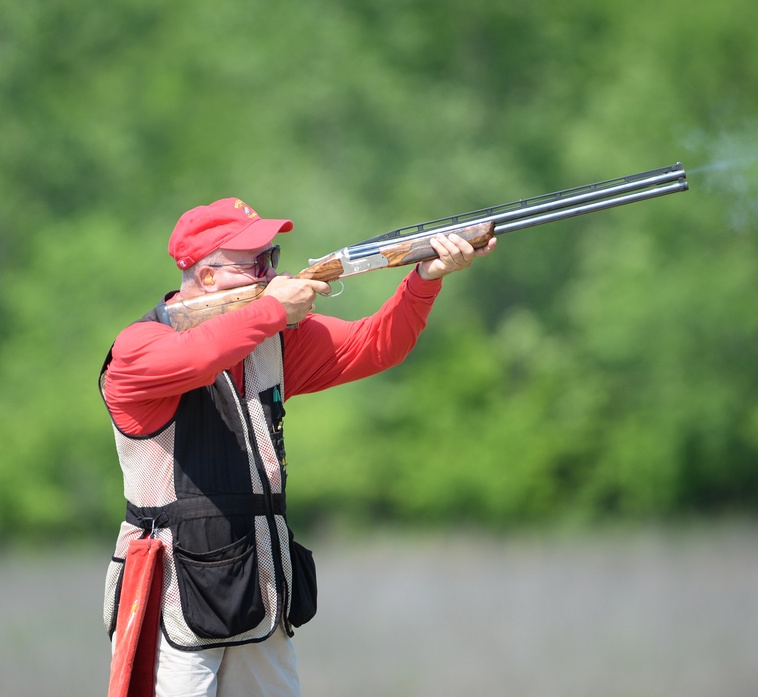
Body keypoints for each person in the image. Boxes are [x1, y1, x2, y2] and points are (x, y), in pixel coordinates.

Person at [99, 196, 495, 696]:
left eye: (271, 258)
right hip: (172, 594)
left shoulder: (272, 338)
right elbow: (197, 358)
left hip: (260, 585)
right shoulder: (139, 347)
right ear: (208, 279)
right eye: (253, 264)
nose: (269, 274)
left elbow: (376, 344)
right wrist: (271, 311)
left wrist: (425, 280)